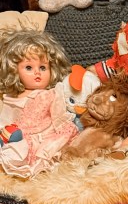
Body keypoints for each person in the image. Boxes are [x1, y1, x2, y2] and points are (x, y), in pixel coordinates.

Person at [0, 30, 79, 178]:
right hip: (18, 137)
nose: (37, 72)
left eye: (43, 68)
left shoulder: (51, 94)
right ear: (14, 71)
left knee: (44, 156)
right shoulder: (12, 97)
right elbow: (6, 118)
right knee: (12, 152)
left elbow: (59, 116)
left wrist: (65, 131)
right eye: (29, 68)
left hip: (45, 137)